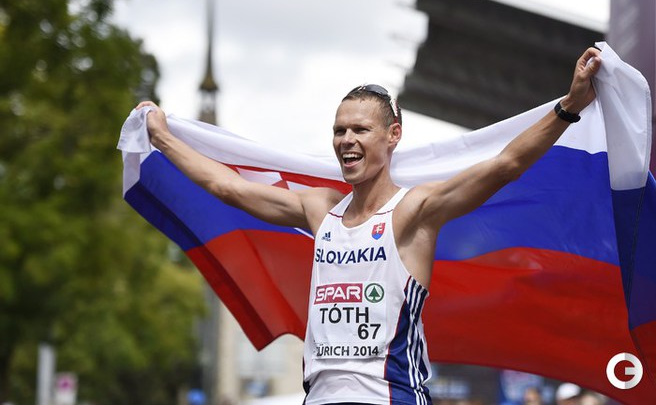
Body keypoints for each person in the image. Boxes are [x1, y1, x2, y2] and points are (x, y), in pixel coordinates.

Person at [137, 47, 601, 405]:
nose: (347, 140)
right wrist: (162, 138)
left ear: (393, 135)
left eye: (360, 130)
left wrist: (569, 105)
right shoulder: (320, 209)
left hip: (389, 397)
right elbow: (227, 188)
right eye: (339, 130)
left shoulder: (414, 210)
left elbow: (506, 164)